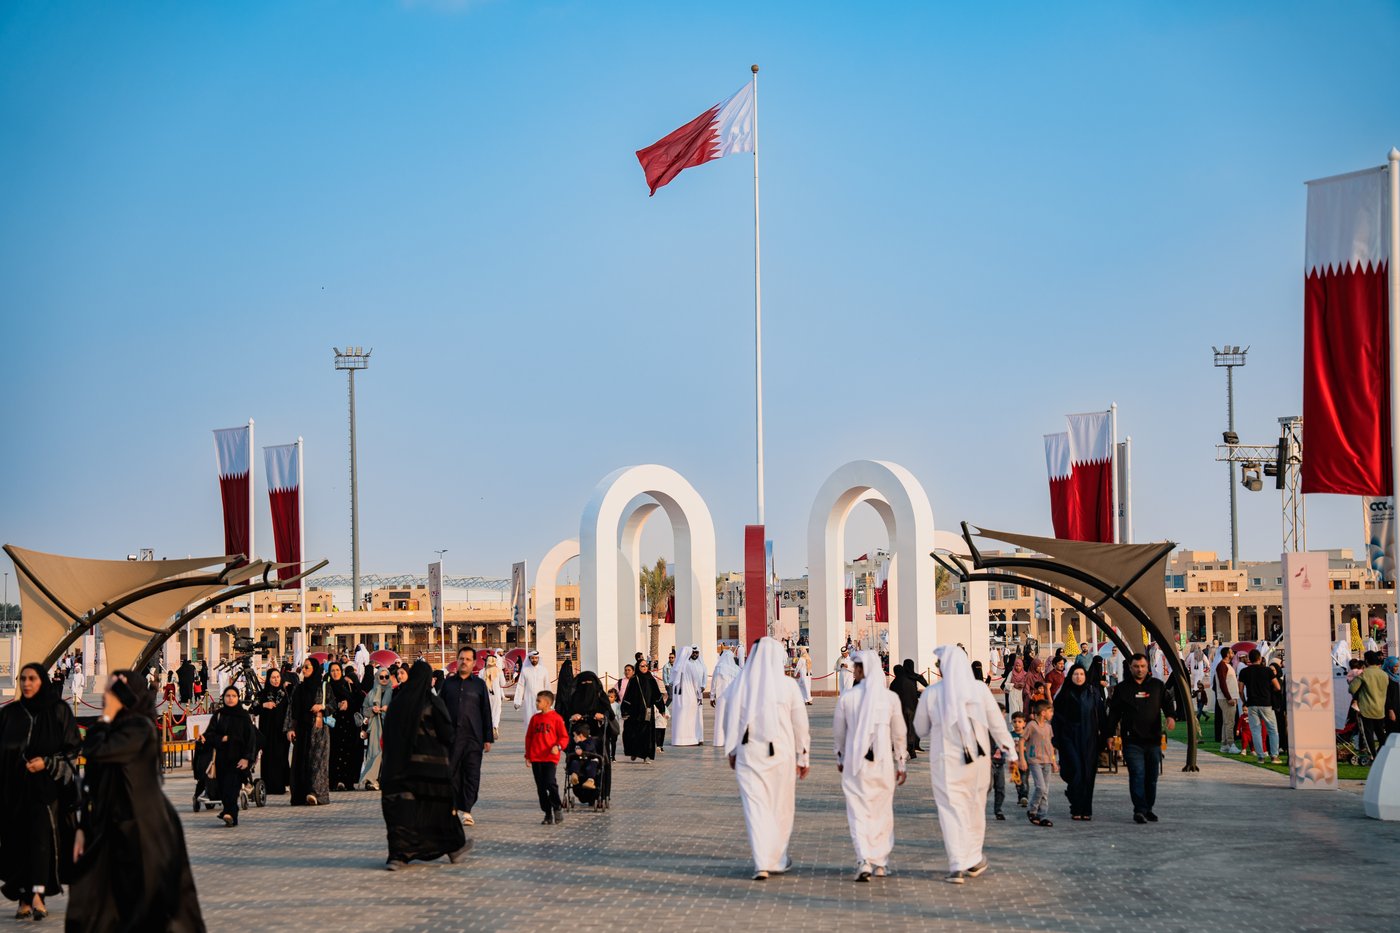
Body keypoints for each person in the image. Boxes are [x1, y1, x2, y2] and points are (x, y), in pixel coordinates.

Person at [68, 670, 204, 931]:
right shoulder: (109, 728)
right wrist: (83, 828)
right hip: (109, 824)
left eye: (117, 690)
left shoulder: (140, 728)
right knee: (106, 903)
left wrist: (106, 717)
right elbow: (92, 782)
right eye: (109, 689)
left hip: (142, 827)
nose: (109, 695)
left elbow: (97, 751)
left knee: (146, 904)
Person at [913, 645, 1017, 885]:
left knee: (950, 812)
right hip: (977, 763)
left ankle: (957, 864)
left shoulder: (931, 694)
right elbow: (997, 725)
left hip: (945, 763)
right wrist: (1011, 753)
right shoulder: (979, 689)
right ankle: (973, 858)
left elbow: (920, 728)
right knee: (974, 809)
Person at [723, 637, 811, 881]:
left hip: (748, 754)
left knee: (755, 808)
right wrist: (803, 756)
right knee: (780, 807)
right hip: (781, 754)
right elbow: (800, 725)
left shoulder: (740, 684)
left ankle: (762, 862)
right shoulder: (788, 686)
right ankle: (775, 858)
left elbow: (729, 718)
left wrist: (732, 750)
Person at [0, 662, 80, 921]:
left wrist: (47, 763)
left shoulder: (58, 711)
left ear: (42, 681)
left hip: (47, 791)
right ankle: (24, 898)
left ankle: (37, 895)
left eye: (32, 678)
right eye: (23, 679)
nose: (26, 683)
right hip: (14, 791)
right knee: (17, 842)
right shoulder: (10, 713)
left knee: (40, 842)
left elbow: (72, 749)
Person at [379, 659, 471, 870]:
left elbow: (388, 736)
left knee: (401, 813)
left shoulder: (397, 704)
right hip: (429, 771)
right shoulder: (432, 703)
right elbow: (447, 734)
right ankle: (454, 848)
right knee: (438, 811)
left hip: (397, 771)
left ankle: (398, 856)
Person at [832, 650, 907, 881]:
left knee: (858, 812)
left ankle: (864, 859)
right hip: (882, 765)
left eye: (856, 667)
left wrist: (840, 757)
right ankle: (880, 861)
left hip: (856, 764)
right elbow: (899, 734)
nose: (854, 670)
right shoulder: (890, 698)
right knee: (881, 812)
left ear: (861, 670)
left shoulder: (847, 698)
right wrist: (901, 762)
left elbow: (839, 734)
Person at [1105, 652, 1178, 824]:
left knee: (1151, 777)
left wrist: (1171, 716)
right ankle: (1139, 810)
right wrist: (1109, 735)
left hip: (1153, 740)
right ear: (1130, 668)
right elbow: (1114, 714)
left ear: (1147, 667)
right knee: (1137, 774)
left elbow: (1168, 702)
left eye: (1143, 666)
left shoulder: (1157, 686)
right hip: (1132, 741)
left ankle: (1148, 808)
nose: (1140, 669)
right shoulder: (1122, 689)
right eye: (1136, 666)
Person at [439, 647, 494, 826]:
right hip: (452, 739)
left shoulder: (479, 685)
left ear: (474, 663)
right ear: (457, 660)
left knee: (472, 775)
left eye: (468, 659)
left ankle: (467, 810)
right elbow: (439, 710)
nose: (464, 662)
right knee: (452, 774)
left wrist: (488, 738)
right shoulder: (448, 684)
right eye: (461, 658)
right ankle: (454, 806)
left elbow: (486, 711)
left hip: (474, 738)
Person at [199, 686, 256, 827]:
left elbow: (251, 739)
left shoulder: (244, 716)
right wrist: (221, 739)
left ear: (238, 698)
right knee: (223, 788)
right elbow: (209, 735)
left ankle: (230, 813)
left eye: (234, 696)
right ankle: (229, 814)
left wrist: (247, 758)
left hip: (238, 759)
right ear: (223, 698)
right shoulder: (219, 715)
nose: (230, 699)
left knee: (232, 787)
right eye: (228, 696)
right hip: (221, 758)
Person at [1052, 664, 1103, 820]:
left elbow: (1101, 716)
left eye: (1081, 674)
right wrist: (1056, 740)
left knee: (1088, 775)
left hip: (1090, 739)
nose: (1078, 677)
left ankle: (1086, 809)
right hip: (1069, 739)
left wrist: (1105, 736)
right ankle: (1076, 806)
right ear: (1070, 676)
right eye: (1075, 674)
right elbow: (1056, 720)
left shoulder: (1093, 693)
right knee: (1076, 771)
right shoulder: (1064, 695)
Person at [285, 657, 332, 806]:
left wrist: (322, 707)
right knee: (301, 762)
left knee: (318, 762)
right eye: (303, 667)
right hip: (301, 730)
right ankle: (301, 794)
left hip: (319, 731)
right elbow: (291, 709)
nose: (304, 670)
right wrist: (290, 729)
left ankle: (316, 793)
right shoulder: (299, 688)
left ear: (315, 669)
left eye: (307, 667)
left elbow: (333, 705)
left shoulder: (323, 687)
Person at [524, 690, 570, 825]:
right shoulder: (535, 718)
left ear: (548, 703)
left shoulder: (556, 718)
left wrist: (558, 747)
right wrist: (528, 755)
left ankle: (557, 807)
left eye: (539, 701)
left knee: (550, 782)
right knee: (541, 787)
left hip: (550, 757)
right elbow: (529, 737)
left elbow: (564, 737)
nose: (536, 703)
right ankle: (547, 814)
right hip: (536, 758)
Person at [325, 661, 364, 791]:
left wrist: (348, 703)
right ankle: (335, 781)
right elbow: (324, 703)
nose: (335, 673)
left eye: (337, 670)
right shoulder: (327, 687)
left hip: (348, 725)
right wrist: (336, 706)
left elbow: (358, 701)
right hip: (334, 725)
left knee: (349, 752)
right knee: (335, 752)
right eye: (332, 671)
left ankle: (347, 781)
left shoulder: (348, 685)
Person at [1239, 649, 1282, 764]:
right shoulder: (1267, 670)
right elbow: (1277, 687)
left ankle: (1260, 757)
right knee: (1272, 730)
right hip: (1266, 703)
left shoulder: (1244, 672)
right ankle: (1274, 756)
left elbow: (1240, 690)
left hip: (1252, 703)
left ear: (1249, 659)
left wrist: (1244, 701)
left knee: (1255, 731)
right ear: (1260, 658)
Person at [1019, 699, 1056, 827]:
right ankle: (1032, 810)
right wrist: (1022, 759)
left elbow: (1050, 745)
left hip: (1047, 762)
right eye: (1050, 711)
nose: (1052, 714)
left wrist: (1054, 761)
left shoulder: (1048, 727)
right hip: (1035, 761)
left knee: (1045, 790)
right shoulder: (1031, 725)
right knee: (1040, 787)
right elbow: (1022, 741)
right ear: (1043, 712)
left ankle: (1042, 816)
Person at [621, 658, 666, 762]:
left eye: (646, 666)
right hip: (635, 712)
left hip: (647, 711)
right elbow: (628, 695)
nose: (645, 668)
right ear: (638, 667)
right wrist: (625, 710)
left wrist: (661, 708)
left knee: (647, 734)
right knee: (635, 734)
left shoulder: (651, 679)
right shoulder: (634, 679)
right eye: (642, 666)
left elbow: (656, 695)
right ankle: (634, 752)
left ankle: (645, 756)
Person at [254, 668, 291, 796]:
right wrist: (264, 705)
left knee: (281, 756)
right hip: (267, 731)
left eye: (278, 677)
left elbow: (290, 712)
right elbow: (253, 709)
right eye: (273, 678)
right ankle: (268, 786)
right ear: (268, 679)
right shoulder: (262, 694)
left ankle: (282, 784)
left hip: (282, 731)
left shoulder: (285, 694)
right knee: (268, 757)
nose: (276, 680)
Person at [1350, 651, 1391, 759]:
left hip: (1366, 709)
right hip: (1380, 709)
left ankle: (1373, 756)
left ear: (1367, 661)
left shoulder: (1364, 674)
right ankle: (1383, 755)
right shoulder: (1384, 674)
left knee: (1368, 734)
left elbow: (1352, 689)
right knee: (1381, 734)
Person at [359, 666, 393, 790]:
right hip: (375, 726)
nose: (384, 679)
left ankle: (382, 779)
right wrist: (372, 710)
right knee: (374, 752)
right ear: (377, 678)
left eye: (386, 677)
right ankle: (371, 779)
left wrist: (388, 709)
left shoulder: (393, 692)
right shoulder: (371, 693)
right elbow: (364, 710)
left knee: (387, 753)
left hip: (388, 725)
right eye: (381, 677)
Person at [669, 645, 707, 747]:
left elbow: (671, 681)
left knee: (680, 718)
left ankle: (678, 740)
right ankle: (690, 739)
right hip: (690, 696)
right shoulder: (689, 665)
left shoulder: (677, 666)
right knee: (690, 718)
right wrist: (699, 694)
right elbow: (696, 682)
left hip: (678, 697)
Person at [512, 649, 550, 738]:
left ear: (538, 658)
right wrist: (517, 701)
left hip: (542, 702)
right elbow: (520, 686)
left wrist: (549, 702)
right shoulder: (525, 671)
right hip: (529, 701)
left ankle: (540, 741)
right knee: (529, 722)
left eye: (536, 658)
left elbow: (547, 686)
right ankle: (531, 741)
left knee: (541, 723)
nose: (534, 660)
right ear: (529, 658)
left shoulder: (544, 670)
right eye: (532, 658)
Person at [710, 648, 742, 747]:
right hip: (733, 697)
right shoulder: (737, 669)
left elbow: (714, 682)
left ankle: (719, 741)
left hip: (721, 697)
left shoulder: (719, 668)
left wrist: (712, 697)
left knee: (720, 718)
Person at [1213, 647, 1241, 754]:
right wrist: (1229, 698)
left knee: (1226, 722)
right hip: (1226, 698)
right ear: (1227, 654)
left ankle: (1224, 744)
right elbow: (1222, 683)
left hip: (1229, 697)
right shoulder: (1222, 666)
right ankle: (1230, 744)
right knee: (1230, 722)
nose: (1233, 653)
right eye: (1231, 652)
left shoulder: (1226, 665)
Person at [565, 720, 603, 791]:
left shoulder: (590, 741)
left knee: (591, 767)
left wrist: (579, 742)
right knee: (574, 762)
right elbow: (569, 749)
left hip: (590, 760)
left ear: (580, 736)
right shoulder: (574, 743)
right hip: (579, 760)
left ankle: (590, 781)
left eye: (575, 736)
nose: (574, 737)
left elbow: (588, 748)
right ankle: (574, 776)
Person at [482, 655, 506, 741]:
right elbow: (503, 684)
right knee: (497, 711)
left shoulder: (482, 671)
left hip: (486, 695)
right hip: (496, 695)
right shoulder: (499, 671)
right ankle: (495, 726)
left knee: (488, 712)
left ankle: (488, 729)